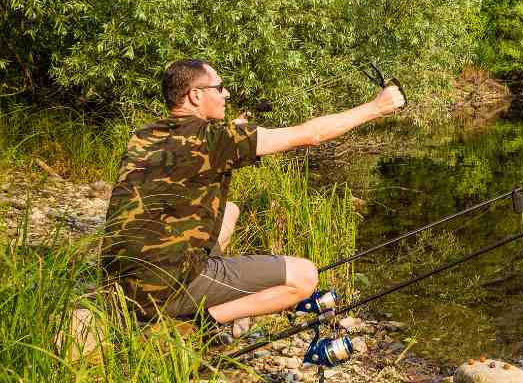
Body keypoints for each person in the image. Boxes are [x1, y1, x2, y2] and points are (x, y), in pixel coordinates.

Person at [100, 59, 404, 336]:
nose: (226, 94)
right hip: (162, 290)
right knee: (305, 276)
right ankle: (203, 324)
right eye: (219, 88)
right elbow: (311, 134)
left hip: (119, 282)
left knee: (229, 210)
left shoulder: (142, 135)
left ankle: (188, 302)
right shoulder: (218, 139)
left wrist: (231, 134)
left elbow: (186, 156)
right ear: (195, 96)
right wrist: (375, 108)